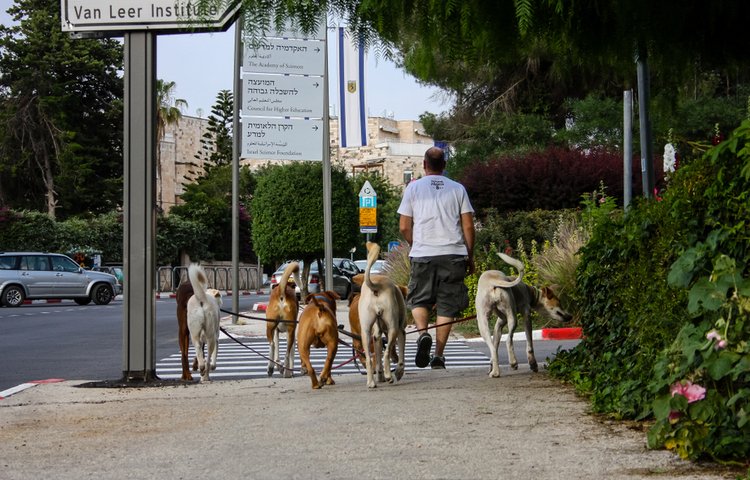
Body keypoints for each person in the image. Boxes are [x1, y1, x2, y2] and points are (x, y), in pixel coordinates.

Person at [398, 146, 475, 369]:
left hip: (423, 254)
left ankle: (423, 334)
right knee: (447, 305)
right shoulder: (458, 189)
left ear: (424, 165)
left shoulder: (413, 189)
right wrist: (469, 256)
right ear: (445, 166)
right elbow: (468, 226)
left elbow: (404, 226)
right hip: (453, 255)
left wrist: (416, 244)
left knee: (419, 299)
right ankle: (439, 355)